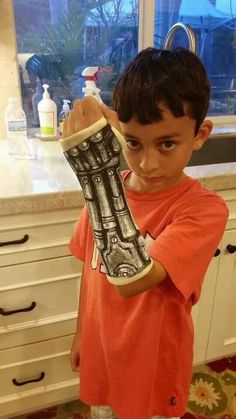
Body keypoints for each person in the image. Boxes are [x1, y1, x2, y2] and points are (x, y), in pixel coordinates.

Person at [60, 48, 229, 419]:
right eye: (133, 142)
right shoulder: (105, 192)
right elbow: (92, 279)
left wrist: (95, 175)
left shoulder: (202, 210)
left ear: (199, 134)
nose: (147, 163)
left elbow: (130, 279)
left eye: (167, 143)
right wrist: (80, 334)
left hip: (153, 368)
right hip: (103, 354)